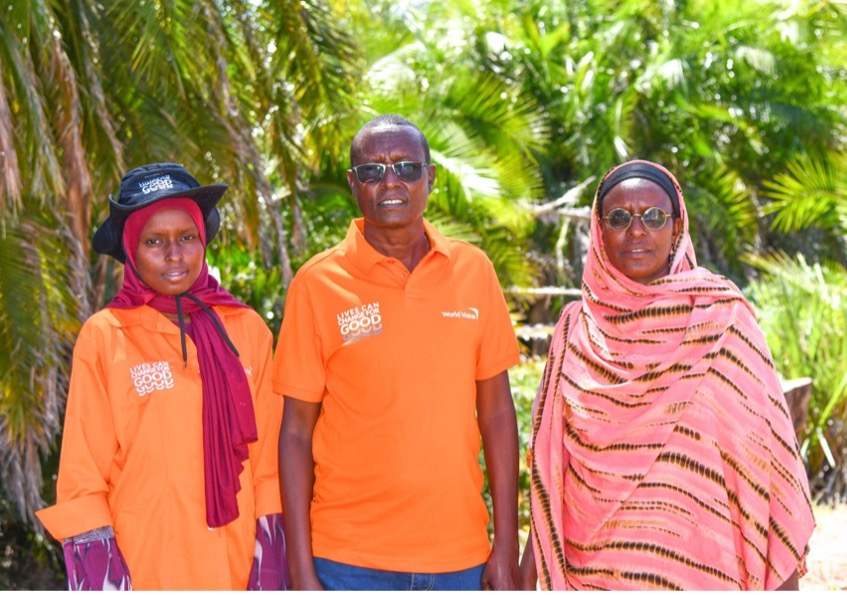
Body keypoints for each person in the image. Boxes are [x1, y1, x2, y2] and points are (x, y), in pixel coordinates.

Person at [519, 160, 815, 590]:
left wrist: (781, 576)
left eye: (654, 216)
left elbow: (764, 459)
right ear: (599, 231)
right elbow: (552, 464)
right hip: (594, 574)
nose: (636, 230)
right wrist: (533, 558)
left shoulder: (722, 319)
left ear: (677, 227)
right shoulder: (574, 329)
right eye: (619, 217)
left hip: (701, 567)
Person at [274, 114, 521, 590]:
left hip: (459, 557)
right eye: (372, 170)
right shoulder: (316, 284)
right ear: (353, 184)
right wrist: (301, 571)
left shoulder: (473, 270)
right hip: (346, 560)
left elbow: (496, 414)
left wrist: (505, 546)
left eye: (407, 168)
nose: (391, 181)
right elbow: (295, 434)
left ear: (430, 177)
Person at [36, 162, 289, 590]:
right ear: (132, 250)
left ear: (202, 241)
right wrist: (105, 582)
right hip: (147, 567)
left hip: (238, 566)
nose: (175, 255)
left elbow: (269, 469)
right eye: (155, 241)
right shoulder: (106, 336)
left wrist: (271, 566)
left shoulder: (247, 331)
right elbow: (83, 477)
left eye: (187, 237)